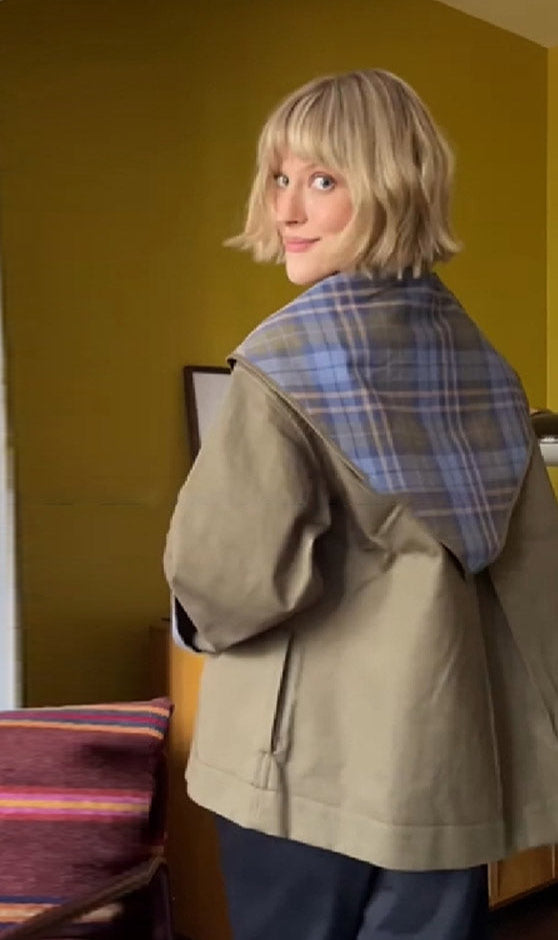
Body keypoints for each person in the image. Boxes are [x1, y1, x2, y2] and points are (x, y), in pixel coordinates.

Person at [163, 69, 558, 940]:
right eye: (280, 176)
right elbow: (536, 582)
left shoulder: (284, 366)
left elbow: (227, 579)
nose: (290, 208)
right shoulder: (490, 371)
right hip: (445, 764)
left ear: (393, 187)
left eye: (324, 180)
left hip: (303, 771)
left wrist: (190, 624)